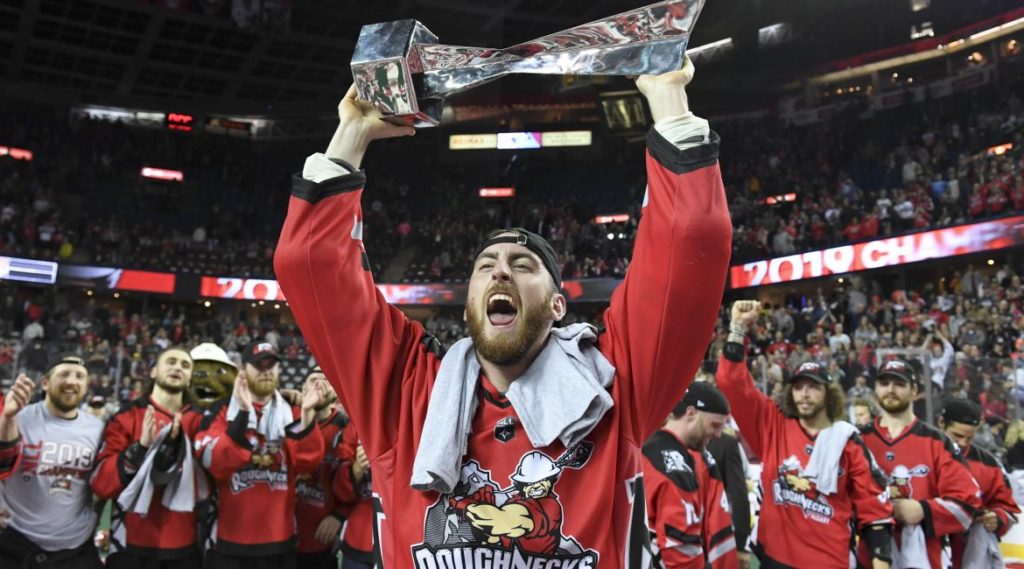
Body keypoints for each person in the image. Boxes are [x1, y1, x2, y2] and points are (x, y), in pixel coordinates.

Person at [274, 58, 733, 568]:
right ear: (469, 299)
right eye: (485, 265)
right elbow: (309, 261)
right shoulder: (404, 390)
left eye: (522, 264)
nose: (499, 273)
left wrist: (669, 102)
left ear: (559, 305)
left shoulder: (611, 384)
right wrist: (353, 131)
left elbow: (691, 244)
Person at [717, 301, 894, 569]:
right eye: (798, 387)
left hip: (829, 561)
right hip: (775, 558)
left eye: (813, 387)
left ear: (828, 393)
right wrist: (738, 328)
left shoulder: (847, 442)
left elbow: (874, 505)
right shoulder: (773, 424)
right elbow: (732, 382)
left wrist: (881, 557)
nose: (805, 394)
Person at [194, 341, 330, 569]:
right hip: (227, 544)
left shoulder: (293, 409)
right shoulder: (221, 410)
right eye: (259, 365)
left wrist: (307, 414)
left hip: (279, 544)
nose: (267, 371)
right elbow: (214, 463)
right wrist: (243, 414)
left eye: (272, 365)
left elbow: (308, 463)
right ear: (243, 371)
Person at [858, 359, 982, 568]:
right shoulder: (858, 439)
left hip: (925, 557)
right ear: (875, 390)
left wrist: (923, 510)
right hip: (867, 558)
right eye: (884, 383)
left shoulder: (937, 442)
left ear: (914, 390)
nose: (891, 389)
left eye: (899, 384)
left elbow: (969, 502)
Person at [90, 346, 204, 568]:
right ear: (153, 372)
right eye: (170, 361)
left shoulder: (201, 421)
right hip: (129, 547)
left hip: (185, 548)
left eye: (185, 365)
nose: (177, 368)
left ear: (190, 378)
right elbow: (101, 483)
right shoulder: (126, 416)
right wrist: (139, 449)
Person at [0, 358, 105, 568]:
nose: (72, 381)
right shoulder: (17, 417)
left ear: (85, 387)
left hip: (75, 548)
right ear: (45, 383)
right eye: (64, 374)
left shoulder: (98, 429)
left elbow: (103, 485)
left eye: (79, 376)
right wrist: (6, 418)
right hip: (16, 543)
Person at [642, 383, 737, 568]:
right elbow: (680, 550)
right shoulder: (676, 467)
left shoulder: (649, 445)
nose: (718, 435)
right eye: (715, 425)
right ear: (691, 413)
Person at [939, 399, 1020, 569]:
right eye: (957, 436)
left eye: (970, 437)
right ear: (941, 423)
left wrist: (998, 518)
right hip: (929, 552)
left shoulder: (989, 463)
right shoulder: (922, 456)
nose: (962, 442)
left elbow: (1008, 508)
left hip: (971, 554)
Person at [295, 367, 349, 569]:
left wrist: (340, 515)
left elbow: (362, 480)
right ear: (302, 389)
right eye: (313, 379)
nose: (318, 384)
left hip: (323, 537)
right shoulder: (287, 420)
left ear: (336, 391)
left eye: (325, 379)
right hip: (282, 536)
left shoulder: (346, 426)